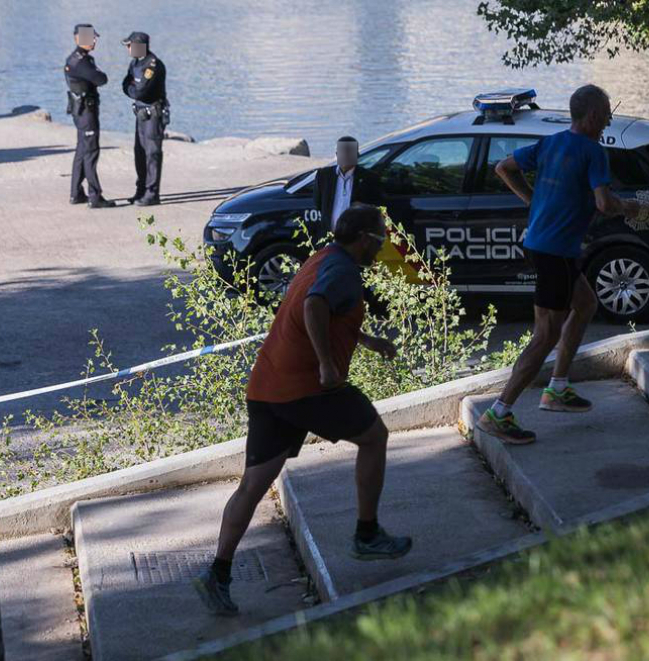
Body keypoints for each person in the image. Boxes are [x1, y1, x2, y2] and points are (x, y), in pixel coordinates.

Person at [193, 204, 412, 616]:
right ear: (364, 239)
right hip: (307, 387)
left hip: (268, 385)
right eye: (379, 241)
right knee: (375, 436)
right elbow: (314, 306)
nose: (380, 250)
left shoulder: (321, 258)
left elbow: (327, 310)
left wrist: (365, 341)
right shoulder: (345, 270)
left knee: (253, 484)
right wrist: (328, 364)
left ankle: (217, 573)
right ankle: (367, 535)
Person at [477, 85, 641, 445]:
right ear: (594, 116)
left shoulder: (550, 143)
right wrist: (628, 207)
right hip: (556, 252)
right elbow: (603, 203)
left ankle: (558, 388)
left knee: (584, 304)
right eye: (608, 112)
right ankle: (499, 413)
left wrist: (533, 201)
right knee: (545, 335)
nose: (609, 118)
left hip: (543, 245)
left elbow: (503, 167)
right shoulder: (594, 152)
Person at [65, 23, 115, 209]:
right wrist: (98, 74)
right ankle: (95, 196)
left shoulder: (77, 59)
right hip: (86, 112)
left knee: (81, 151)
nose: (93, 41)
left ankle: (76, 193)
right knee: (91, 152)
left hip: (81, 110)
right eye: (89, 37)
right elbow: (101, 79)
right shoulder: (81, 62)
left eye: (94, 37)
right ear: (77, 39)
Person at [121, 31, 167, 207]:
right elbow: (125, 85)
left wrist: (134, 90)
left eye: (129, 45)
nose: (127, 48)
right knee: (139, 153)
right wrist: (133, 89)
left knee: (152, 154)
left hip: (153, 115)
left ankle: (152, 193)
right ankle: (141, 190)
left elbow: (142, 91)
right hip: (140, 114)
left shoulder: (153, 65)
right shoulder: (135, 63)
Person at [312, 136, 385, 239]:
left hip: (356, 240)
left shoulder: (369, 178)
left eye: (350, 152)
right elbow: (318, 203)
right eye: (343, 152)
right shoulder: (323, 175)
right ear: (337, 155)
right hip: (329, 237)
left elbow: (377, 206)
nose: (346, 156)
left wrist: (363, 206)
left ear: (357, 155)